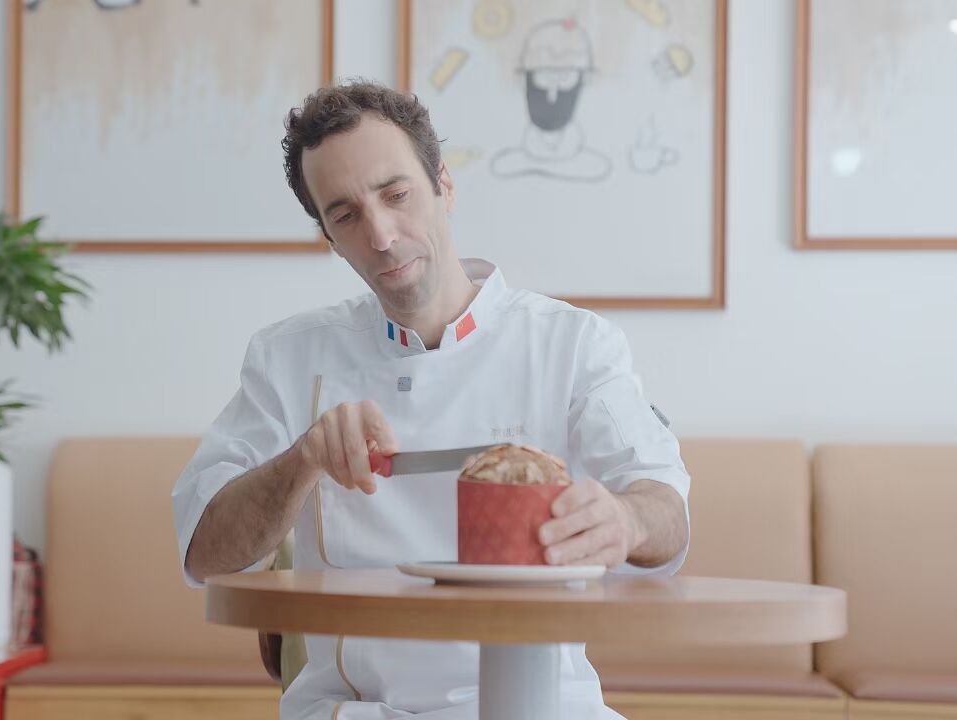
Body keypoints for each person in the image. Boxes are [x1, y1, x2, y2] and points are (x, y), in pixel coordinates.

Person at [172, 80, 690, 720]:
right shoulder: (287, 358)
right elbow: (204, 554)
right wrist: (304, 460)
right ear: (328, 235)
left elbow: (665, 507)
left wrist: (627, 521)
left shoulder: (572, 344)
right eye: (346, 215)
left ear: (443, 184)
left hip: (543, 706)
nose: (381, 235)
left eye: (396, 195)